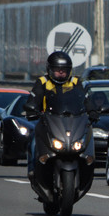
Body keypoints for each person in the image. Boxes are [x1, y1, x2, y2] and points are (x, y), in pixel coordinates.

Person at [24, 51, 96, 179]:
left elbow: (86, 100)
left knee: (87, 136)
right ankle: (33, 168)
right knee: (34, 138)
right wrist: (32, 109)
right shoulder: (43, 82)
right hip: (47, 120)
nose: (61, 72)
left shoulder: (75, 82)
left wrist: (93, 111)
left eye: (65, 69)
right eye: (57, 69)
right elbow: (33, 100)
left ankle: (87, 167)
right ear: (50, 69)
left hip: (72, 121)